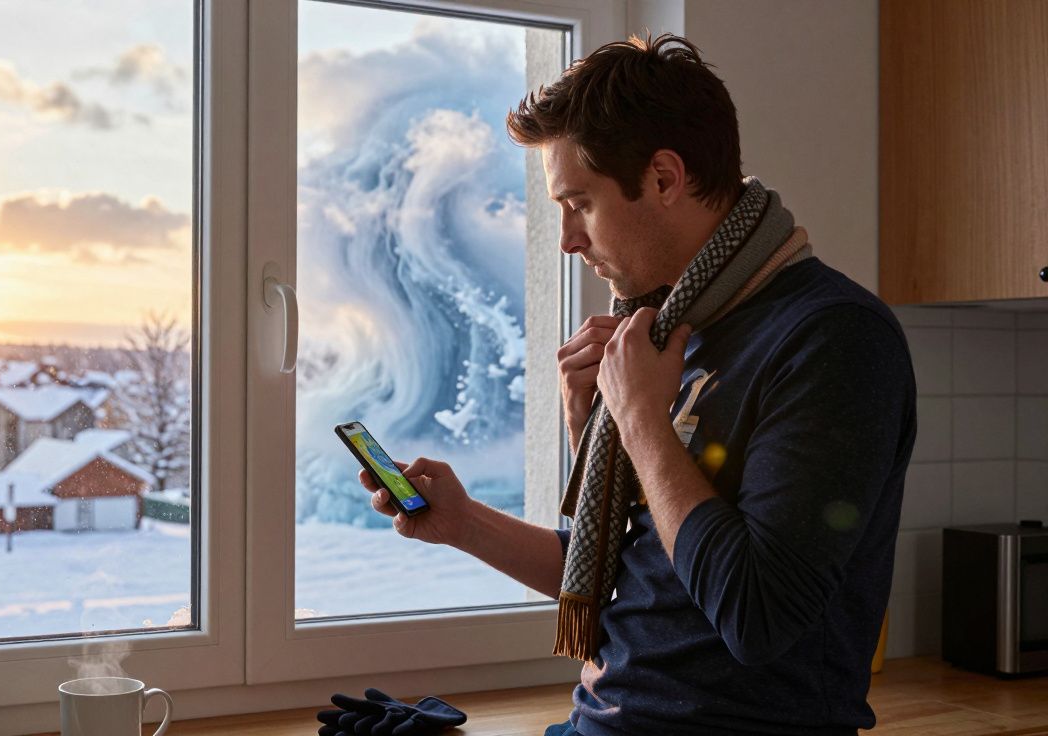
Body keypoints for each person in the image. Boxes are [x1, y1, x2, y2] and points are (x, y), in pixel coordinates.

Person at [358, 34, 916, 735]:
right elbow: (641, 572)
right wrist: (463, 522)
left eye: (579, 204)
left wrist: (641, 423)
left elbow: (756, 613)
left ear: (663, 178)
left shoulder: (834, 338)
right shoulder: (666, 330)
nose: (566, 239)